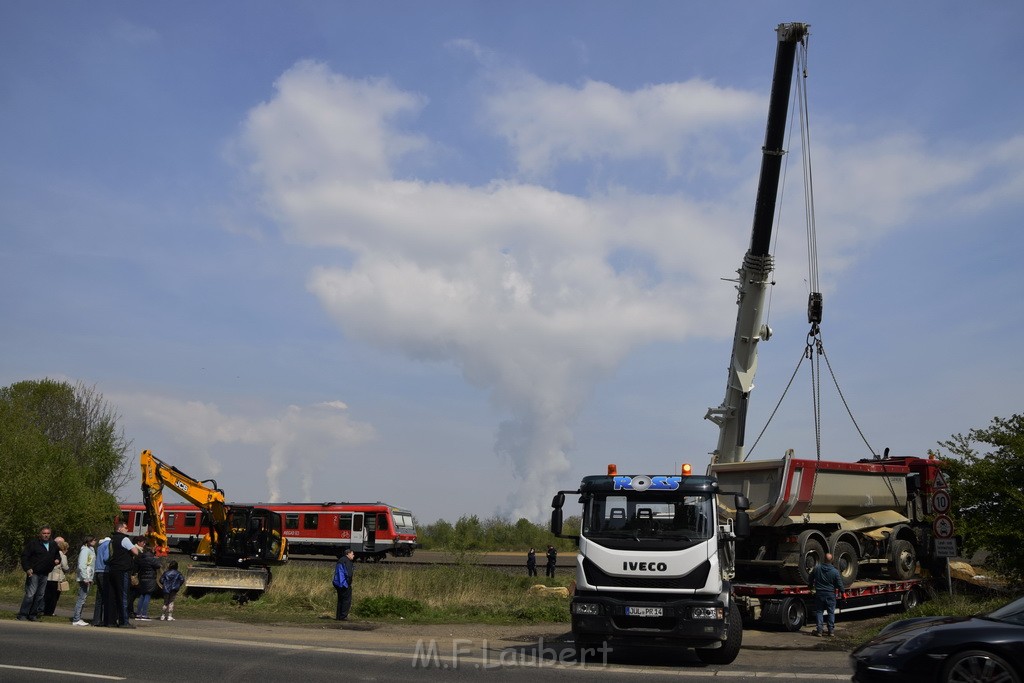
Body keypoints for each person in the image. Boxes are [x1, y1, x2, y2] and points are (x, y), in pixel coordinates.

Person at [17, 525, 61, 621]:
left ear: (50, 534)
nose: (46, 535)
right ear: (40, 534)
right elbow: (24, 556)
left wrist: (57, 559)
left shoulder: (53, 544)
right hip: (34, 572)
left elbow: (57, 555)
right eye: (44, 533)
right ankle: (23, 614)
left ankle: (33, 614)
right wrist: (27, 568)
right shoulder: (33, 544)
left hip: (45, 573)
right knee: (30, 594)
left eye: (48, 533)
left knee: (40, 595)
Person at [106, 521, 141, 628]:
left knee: (112, 595)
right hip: (123, 570)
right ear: (120, 529)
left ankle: (110, 621)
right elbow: (136, 551)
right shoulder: (124, 539)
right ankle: (124, 621)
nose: (127, 529)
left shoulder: (111, 540)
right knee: (123, 596)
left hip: (112, 569)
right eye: (125, 527)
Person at [809, 553, 844, 637]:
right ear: (832, 561)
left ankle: (819, 631)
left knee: (819, 611)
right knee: (831, 612)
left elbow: (810, 578)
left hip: (820, 593)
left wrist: (810, 586)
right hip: (830, 594)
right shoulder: (835, 571)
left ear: (823, 559)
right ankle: (831, 631)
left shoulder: (817, 568)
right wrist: (843, 592)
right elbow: (839, 583)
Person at [132, 538, 161, 620]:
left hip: (142, 578)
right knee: (147, 596)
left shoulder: (141, 558)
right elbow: (158, 565)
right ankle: (144, 614)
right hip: (150, 579)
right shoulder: (151, 559)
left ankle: (138, 613)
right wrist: (155, 558)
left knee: (142, 596)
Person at [71, 536, 97, 626]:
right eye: (93, 540)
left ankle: (78, 617)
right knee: (81, 598)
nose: (95, 541)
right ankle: (76, 618)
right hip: (84, 577)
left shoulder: (91, 550)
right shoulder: (85, 550)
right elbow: (82, 564)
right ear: (88, 541)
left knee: (83, 598)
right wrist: (85, 577)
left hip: (88, 576)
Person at [43, 537, 70, 616]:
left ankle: (44, 610)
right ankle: (50, 612)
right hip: (56, 578)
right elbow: (65, 566)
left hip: (48, 577)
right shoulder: (62, 555)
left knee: (47, 595)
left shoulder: (51, 552)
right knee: (54, 596)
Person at [92, 536, 111, 626]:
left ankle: (96, 620)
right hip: (105, 571)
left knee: (99, 598)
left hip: (98, 571)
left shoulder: (100, 546)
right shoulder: (108, 544)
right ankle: (105, 619)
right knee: (106, 597)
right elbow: (106, 558)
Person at [332, 547, 355, 621]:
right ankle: (343, 616)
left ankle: (338, 616)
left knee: (340, 600)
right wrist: (348, 583)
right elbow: (349, 574)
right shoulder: (347, 561)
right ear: (348, 554)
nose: (353, 555)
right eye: (352, 554)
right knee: (346, 600)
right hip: (344, 584)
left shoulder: (341, 560)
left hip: (337, 583)